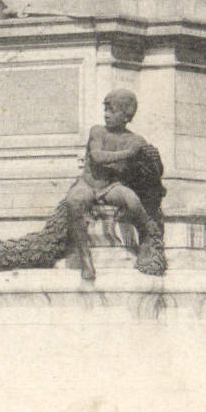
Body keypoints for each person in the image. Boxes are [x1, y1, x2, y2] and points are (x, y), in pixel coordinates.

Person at [64, 90, 164, 281]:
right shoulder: (98, 131)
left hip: (111, 186)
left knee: (132, 200)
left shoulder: (136, 140)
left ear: (126, 115)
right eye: (106, 109)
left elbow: (155, 170)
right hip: (88, 183)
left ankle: (146, 237)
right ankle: (86, 258)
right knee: (74, 201)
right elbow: (97, 156)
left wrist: (153, 159)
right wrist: (129, 153)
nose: (107, 114)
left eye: (112, 110)